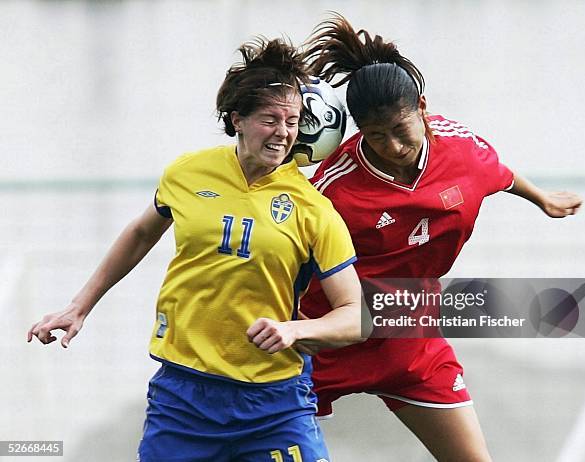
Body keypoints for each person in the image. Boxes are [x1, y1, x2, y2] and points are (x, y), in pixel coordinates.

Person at [27, 36, 364, 462]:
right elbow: (140, 233)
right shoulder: (188, 173)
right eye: (270, 119)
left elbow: (354, 317)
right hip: (183, 398)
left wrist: (295, 330)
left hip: (274, 404)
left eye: (293, 120)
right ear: (237, 118)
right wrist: (79, 306)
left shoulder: (314, 209)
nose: (283, 133)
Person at [298, 13, 583, 462]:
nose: (392, 146)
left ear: (423, 109)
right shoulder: (334, 187)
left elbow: (501, 175)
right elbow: (285, 251)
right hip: (328, 336)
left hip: (410, 328)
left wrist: (543, 198)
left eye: (400, 130)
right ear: (357, 132)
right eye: (375, 137)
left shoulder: (462, 150)